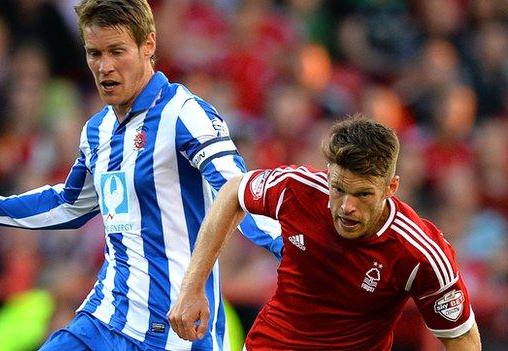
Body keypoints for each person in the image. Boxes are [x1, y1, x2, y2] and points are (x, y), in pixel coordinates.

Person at [0, 1, 283, 350]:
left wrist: (297, 249)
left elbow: (240, 191)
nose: (104, 67)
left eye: (116, 51)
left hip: (176, 330)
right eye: (94, 53)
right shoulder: (97, 131)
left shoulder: (184, 114)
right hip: (104, 320)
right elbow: (66, 206)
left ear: (148, 45)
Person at [168, 115, 482, 350]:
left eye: (363, 195)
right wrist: (193, 286)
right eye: (339, 189)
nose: (346, 207)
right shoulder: (296, 190)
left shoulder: (420, 253)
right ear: (329, 174)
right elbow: (233, 191)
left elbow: (461, 339)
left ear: (391, 188)